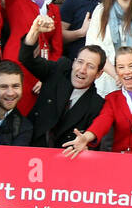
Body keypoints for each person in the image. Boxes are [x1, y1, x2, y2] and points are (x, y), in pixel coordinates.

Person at [63, 47, 132, 158]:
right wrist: (86, 137)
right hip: (119, 162)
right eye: (121, 67)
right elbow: (102, 121)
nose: (126, 72)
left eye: (131, 66)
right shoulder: (112, 99)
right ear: (117, 71)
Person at [18, 15, 107, 147]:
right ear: (74, 62)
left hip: (65, 156)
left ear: (99, 74)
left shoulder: (97, 104)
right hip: (30, 146)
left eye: (90, 66)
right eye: (80, 62)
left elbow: (92, 145)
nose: (82, 70)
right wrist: (34, 31)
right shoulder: (59, 70)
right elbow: (26, 59)